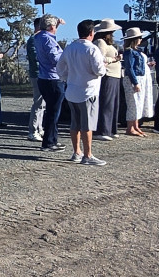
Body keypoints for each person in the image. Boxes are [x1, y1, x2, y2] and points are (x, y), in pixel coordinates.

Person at [57, 19, 107, 166]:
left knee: (75, 123)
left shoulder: (70, 48)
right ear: (92, 33)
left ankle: (76, 151)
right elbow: (98, 70)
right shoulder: (92, 49)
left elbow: (60, 68)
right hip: (88, 91)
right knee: (87, 125)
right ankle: (88, 155)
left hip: (72, 90)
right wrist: (103, 68)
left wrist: (67, 78)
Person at [35, 14, 67, 152]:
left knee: (52, 110)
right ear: (51, 26)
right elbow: (55, 58)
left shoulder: (38, 37)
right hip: (53, 78)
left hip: (44, 78)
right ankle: (48, 142)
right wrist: (66, 57)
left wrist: (56, 24)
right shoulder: (48, 40)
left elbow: (47, 34)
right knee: (54, 112)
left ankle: (52, 139)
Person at [92, 18, 123, 142]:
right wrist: (115, 59)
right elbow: (100, 58)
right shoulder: (100, 42)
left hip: (115, 75)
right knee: (106, 103)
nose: (113, 35)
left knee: (114, 104)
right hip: (108, 75)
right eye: (111, 32)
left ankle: (111, 129)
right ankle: (102, 130)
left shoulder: (108, 44)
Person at [121, 27, 153, 136]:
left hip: (140, 78)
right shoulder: (129, 52)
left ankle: (136, 125)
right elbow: (129, 68)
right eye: (139, 37)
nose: (141, 39)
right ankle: (130, 127)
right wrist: (135, 82)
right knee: (133, 103)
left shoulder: (136, 51)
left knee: (138, 103)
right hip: (133, 79)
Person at [25, 17, 45, 142]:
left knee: (43, 103)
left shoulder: (38, 39)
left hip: (41, 73)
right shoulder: (33, 40)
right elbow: (35, 58)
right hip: (37, 74)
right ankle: (33, 130)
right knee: (38, 103)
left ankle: (39, 127)